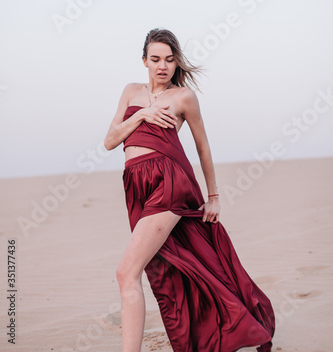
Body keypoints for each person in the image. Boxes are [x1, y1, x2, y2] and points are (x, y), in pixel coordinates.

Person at [104, 28, 275, 352]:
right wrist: (142, 114)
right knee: (169, 267)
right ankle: (218, 328)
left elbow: (203, 148)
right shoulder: (130, 91)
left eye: (169, 59)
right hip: (136, 184)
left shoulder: (183, 97)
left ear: (176, 62)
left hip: (169, 181)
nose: (162, 66)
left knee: (127, 271)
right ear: (144, 61)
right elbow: (110, 141)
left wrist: (213, 197)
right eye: (155, 59)